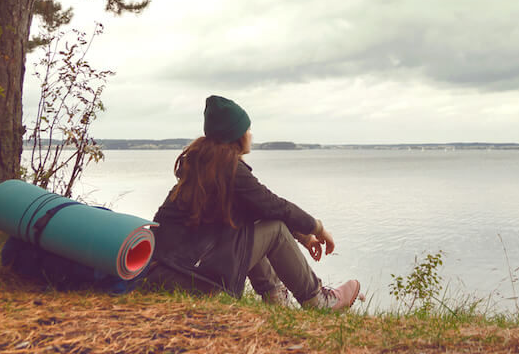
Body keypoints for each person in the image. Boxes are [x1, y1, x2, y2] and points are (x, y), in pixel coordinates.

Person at [145, 95, 360, 310]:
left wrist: (304, 236)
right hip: (193, 280)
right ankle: (318, 301)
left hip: (168, 274)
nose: (250, 134)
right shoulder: (228, 171)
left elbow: (257, 209)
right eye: (247, 129)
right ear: (235, 135)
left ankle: (275, 298)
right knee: (275, 231)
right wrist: (319, 228)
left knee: (246, 227)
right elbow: (274, 205)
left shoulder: (203, 167)